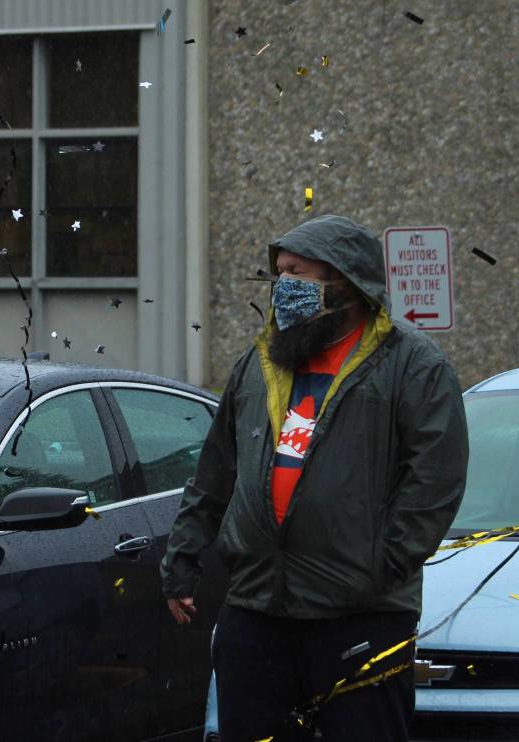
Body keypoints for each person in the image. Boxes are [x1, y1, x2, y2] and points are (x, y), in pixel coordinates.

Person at [162, 215, 469, 741]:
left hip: (359, 614)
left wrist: (383, 562)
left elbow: (436, 477)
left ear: (343, 280)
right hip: (258, 604)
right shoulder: (260, 364)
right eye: (277, 274)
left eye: (295, 273)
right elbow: (217, 468)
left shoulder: (411, 364)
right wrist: (184, 555)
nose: (282, 287)